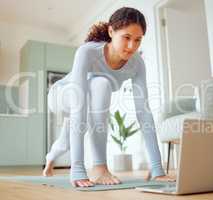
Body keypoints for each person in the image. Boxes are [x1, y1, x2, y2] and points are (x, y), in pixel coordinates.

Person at [43, 7, 175, 187]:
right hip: (62, 96)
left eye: (138, 40)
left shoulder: (137, 63)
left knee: (64, 142)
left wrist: (157, 168)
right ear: (111, 31)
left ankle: (49, 159)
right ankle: (99, 167)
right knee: (100, 84)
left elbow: (143, 112)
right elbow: (79, 105)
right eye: (126, 38)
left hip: (87, 101)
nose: (132, 46)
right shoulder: (88, 52)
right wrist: (78, 169)